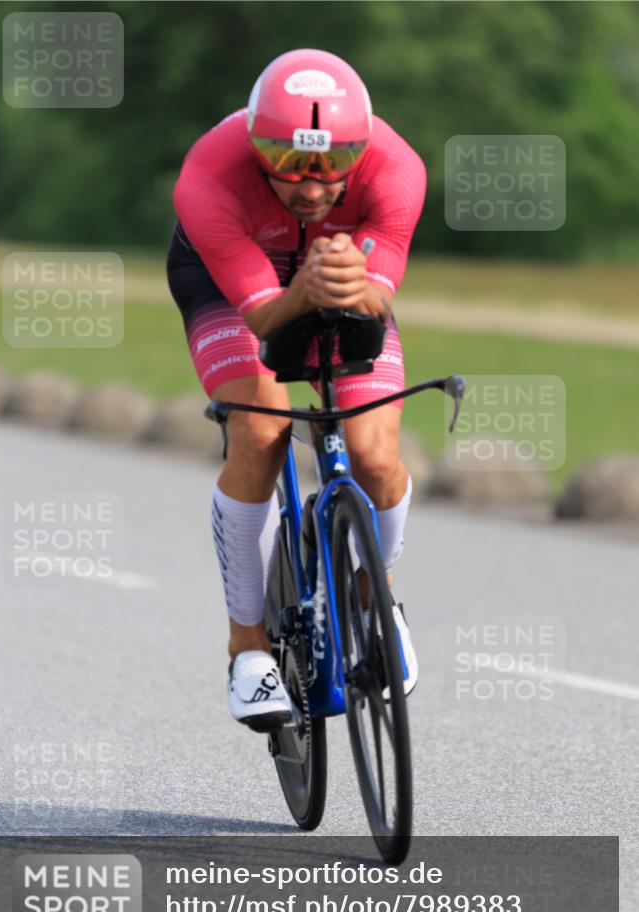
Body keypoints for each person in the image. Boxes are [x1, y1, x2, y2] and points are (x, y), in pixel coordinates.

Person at [168, 48, 427, 731]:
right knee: (260, 428)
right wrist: (303, 292)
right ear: (256, 145)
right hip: (231, 286)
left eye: (332, 165)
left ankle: (378, 596)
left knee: (373, 454)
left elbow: (376, 289)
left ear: (360, 149)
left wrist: (358, 288)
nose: (311, 187)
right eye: (285, 163)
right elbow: (262, 319)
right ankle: (247, 646)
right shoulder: (209, 175)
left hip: (344, 272)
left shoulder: (398, 169)